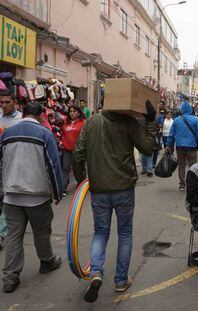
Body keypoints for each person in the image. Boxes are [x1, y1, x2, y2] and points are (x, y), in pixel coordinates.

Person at [73, 101, 156, 303]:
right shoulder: (129, 123)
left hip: (99, 188)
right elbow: (147, 148)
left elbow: (78, 153)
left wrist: (81, 180)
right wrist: (150, 122)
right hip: (123, 188)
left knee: (100, 232)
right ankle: (120, 280)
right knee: (125, 233)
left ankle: (96, 272)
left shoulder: (91, 121)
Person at [1, 102, 63, 293]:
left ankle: (10, 277)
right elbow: (53, 165)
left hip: (11, 196)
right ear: (40, 116)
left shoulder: (7, 134)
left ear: (24, 113)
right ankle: (46, 261)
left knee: (13, 236)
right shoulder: (45, 134)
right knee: (42, 232)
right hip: (37, 196)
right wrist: (57, 192)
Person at [0, 89, 23, 251]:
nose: (4, 105)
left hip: (14, 166)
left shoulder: (22, 120)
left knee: (7, 200)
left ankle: (1, 234)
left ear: (15, 102)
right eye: (1, 102)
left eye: (7, 102)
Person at [166, 101, 198, 191]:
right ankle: (192, 183)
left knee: (181, 166)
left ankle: (182, 184)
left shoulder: (176, 120)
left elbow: (171, 134)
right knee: (193, 166)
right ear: (190, 109)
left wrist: (168, 144)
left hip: (180, 147)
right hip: (192, 147)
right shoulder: (195, 120)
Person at [61, 105, 86, 196]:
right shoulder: (65, 122)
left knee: (78, 169)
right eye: (70, 111)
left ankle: (81, 186)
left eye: (74, 111)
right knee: (66, 168)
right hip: (66, 149)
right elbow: (62, 134)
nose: (72, 113)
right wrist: (61, 142)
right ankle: (63, 188)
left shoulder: (83, 123)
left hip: (78, 150)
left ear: (78, 113)